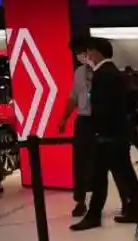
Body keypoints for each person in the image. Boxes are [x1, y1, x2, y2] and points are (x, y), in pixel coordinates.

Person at [70, 37, 138, 231]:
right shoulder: (116, 73)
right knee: (123, 174)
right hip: (118, 133)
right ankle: (133, 209)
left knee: (101, 176)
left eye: (89, 51)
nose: (87, 55)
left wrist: (97, 132)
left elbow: (102, 108)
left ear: (97, 52)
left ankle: (94, 216)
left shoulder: (102, 74)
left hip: (107, 136)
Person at [58, 38, 95, 217]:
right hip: (83, 121)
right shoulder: (79, 72)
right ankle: (80, 201)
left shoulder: (102, 71)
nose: (80, 56)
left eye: (82, 51)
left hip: (99, 121)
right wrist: (64, 118)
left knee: (100, 163)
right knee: (80, 163)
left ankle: (122, 200)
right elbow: (73, 96)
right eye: (76, 53)